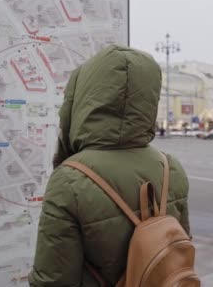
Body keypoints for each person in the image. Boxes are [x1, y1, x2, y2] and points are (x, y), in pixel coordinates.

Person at [29, 45, 191, 286]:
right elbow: (182, 248)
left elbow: (54, 280)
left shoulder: (70, 179)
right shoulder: (171, 167)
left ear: (84, 99)